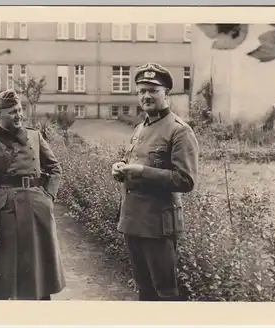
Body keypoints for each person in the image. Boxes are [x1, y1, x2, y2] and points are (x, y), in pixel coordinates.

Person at [111, 62, 199, 301]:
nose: (146, 96)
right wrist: (120, 168)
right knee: (144, 289)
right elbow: (138, 161)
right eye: (141, 91)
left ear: (166, 93)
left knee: (165, 292)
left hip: (159, 225)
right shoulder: (140, 128)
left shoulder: (179, 131)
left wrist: (141, 171)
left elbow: (185, 180)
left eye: (153, 89)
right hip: (133, 221)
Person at [0, 89, 65, 301]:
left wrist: (48, 196)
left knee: (39, 269)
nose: (19, 115)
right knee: (7, 274)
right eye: (12, 111)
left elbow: (55, 168)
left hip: (37, 212)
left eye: (20, 110)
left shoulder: (34, 135)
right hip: (7, 215)